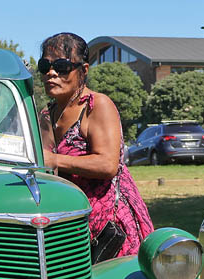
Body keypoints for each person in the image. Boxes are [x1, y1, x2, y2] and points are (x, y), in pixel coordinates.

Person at [38, 32, 153, 261]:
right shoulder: (46, 115)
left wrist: (54, 160)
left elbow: (108, 164)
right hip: (68, 224)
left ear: (84, 70)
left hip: (110, 230)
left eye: (61, 67)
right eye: (45, 66)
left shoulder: (97, 105)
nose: (51, 73)